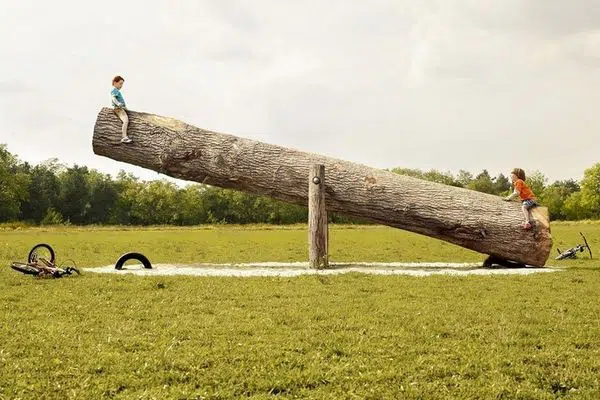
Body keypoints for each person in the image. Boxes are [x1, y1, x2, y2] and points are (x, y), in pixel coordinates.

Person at [111, 76, 132, 143]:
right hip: (118, 108)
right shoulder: (114, 90)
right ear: (115, 83)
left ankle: (124, 136)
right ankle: (124, 137)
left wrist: (125, 108)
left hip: (120, 108)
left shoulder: (116, 91)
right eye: (120, 83)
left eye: (122, 84)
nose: (121, 85)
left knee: (126, 120)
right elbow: (113, 98)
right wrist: (118, 104)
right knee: (125, 121)